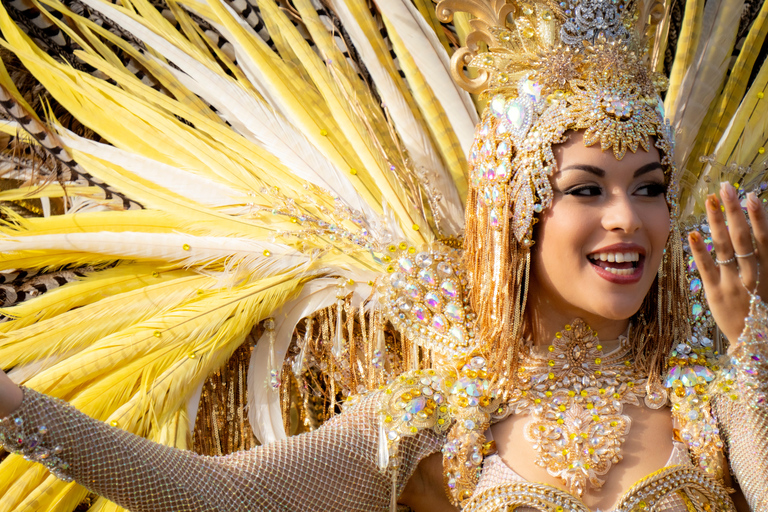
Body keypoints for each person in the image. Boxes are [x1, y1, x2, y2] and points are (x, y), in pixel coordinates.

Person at [0, 0, 766, 511]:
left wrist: (750, 345)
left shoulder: (713, 391)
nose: (628, 221)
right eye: (588, 191)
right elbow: (222, 496)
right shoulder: (442, 412)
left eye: (651, 187)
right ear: (517, 214)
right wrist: (12, 407)